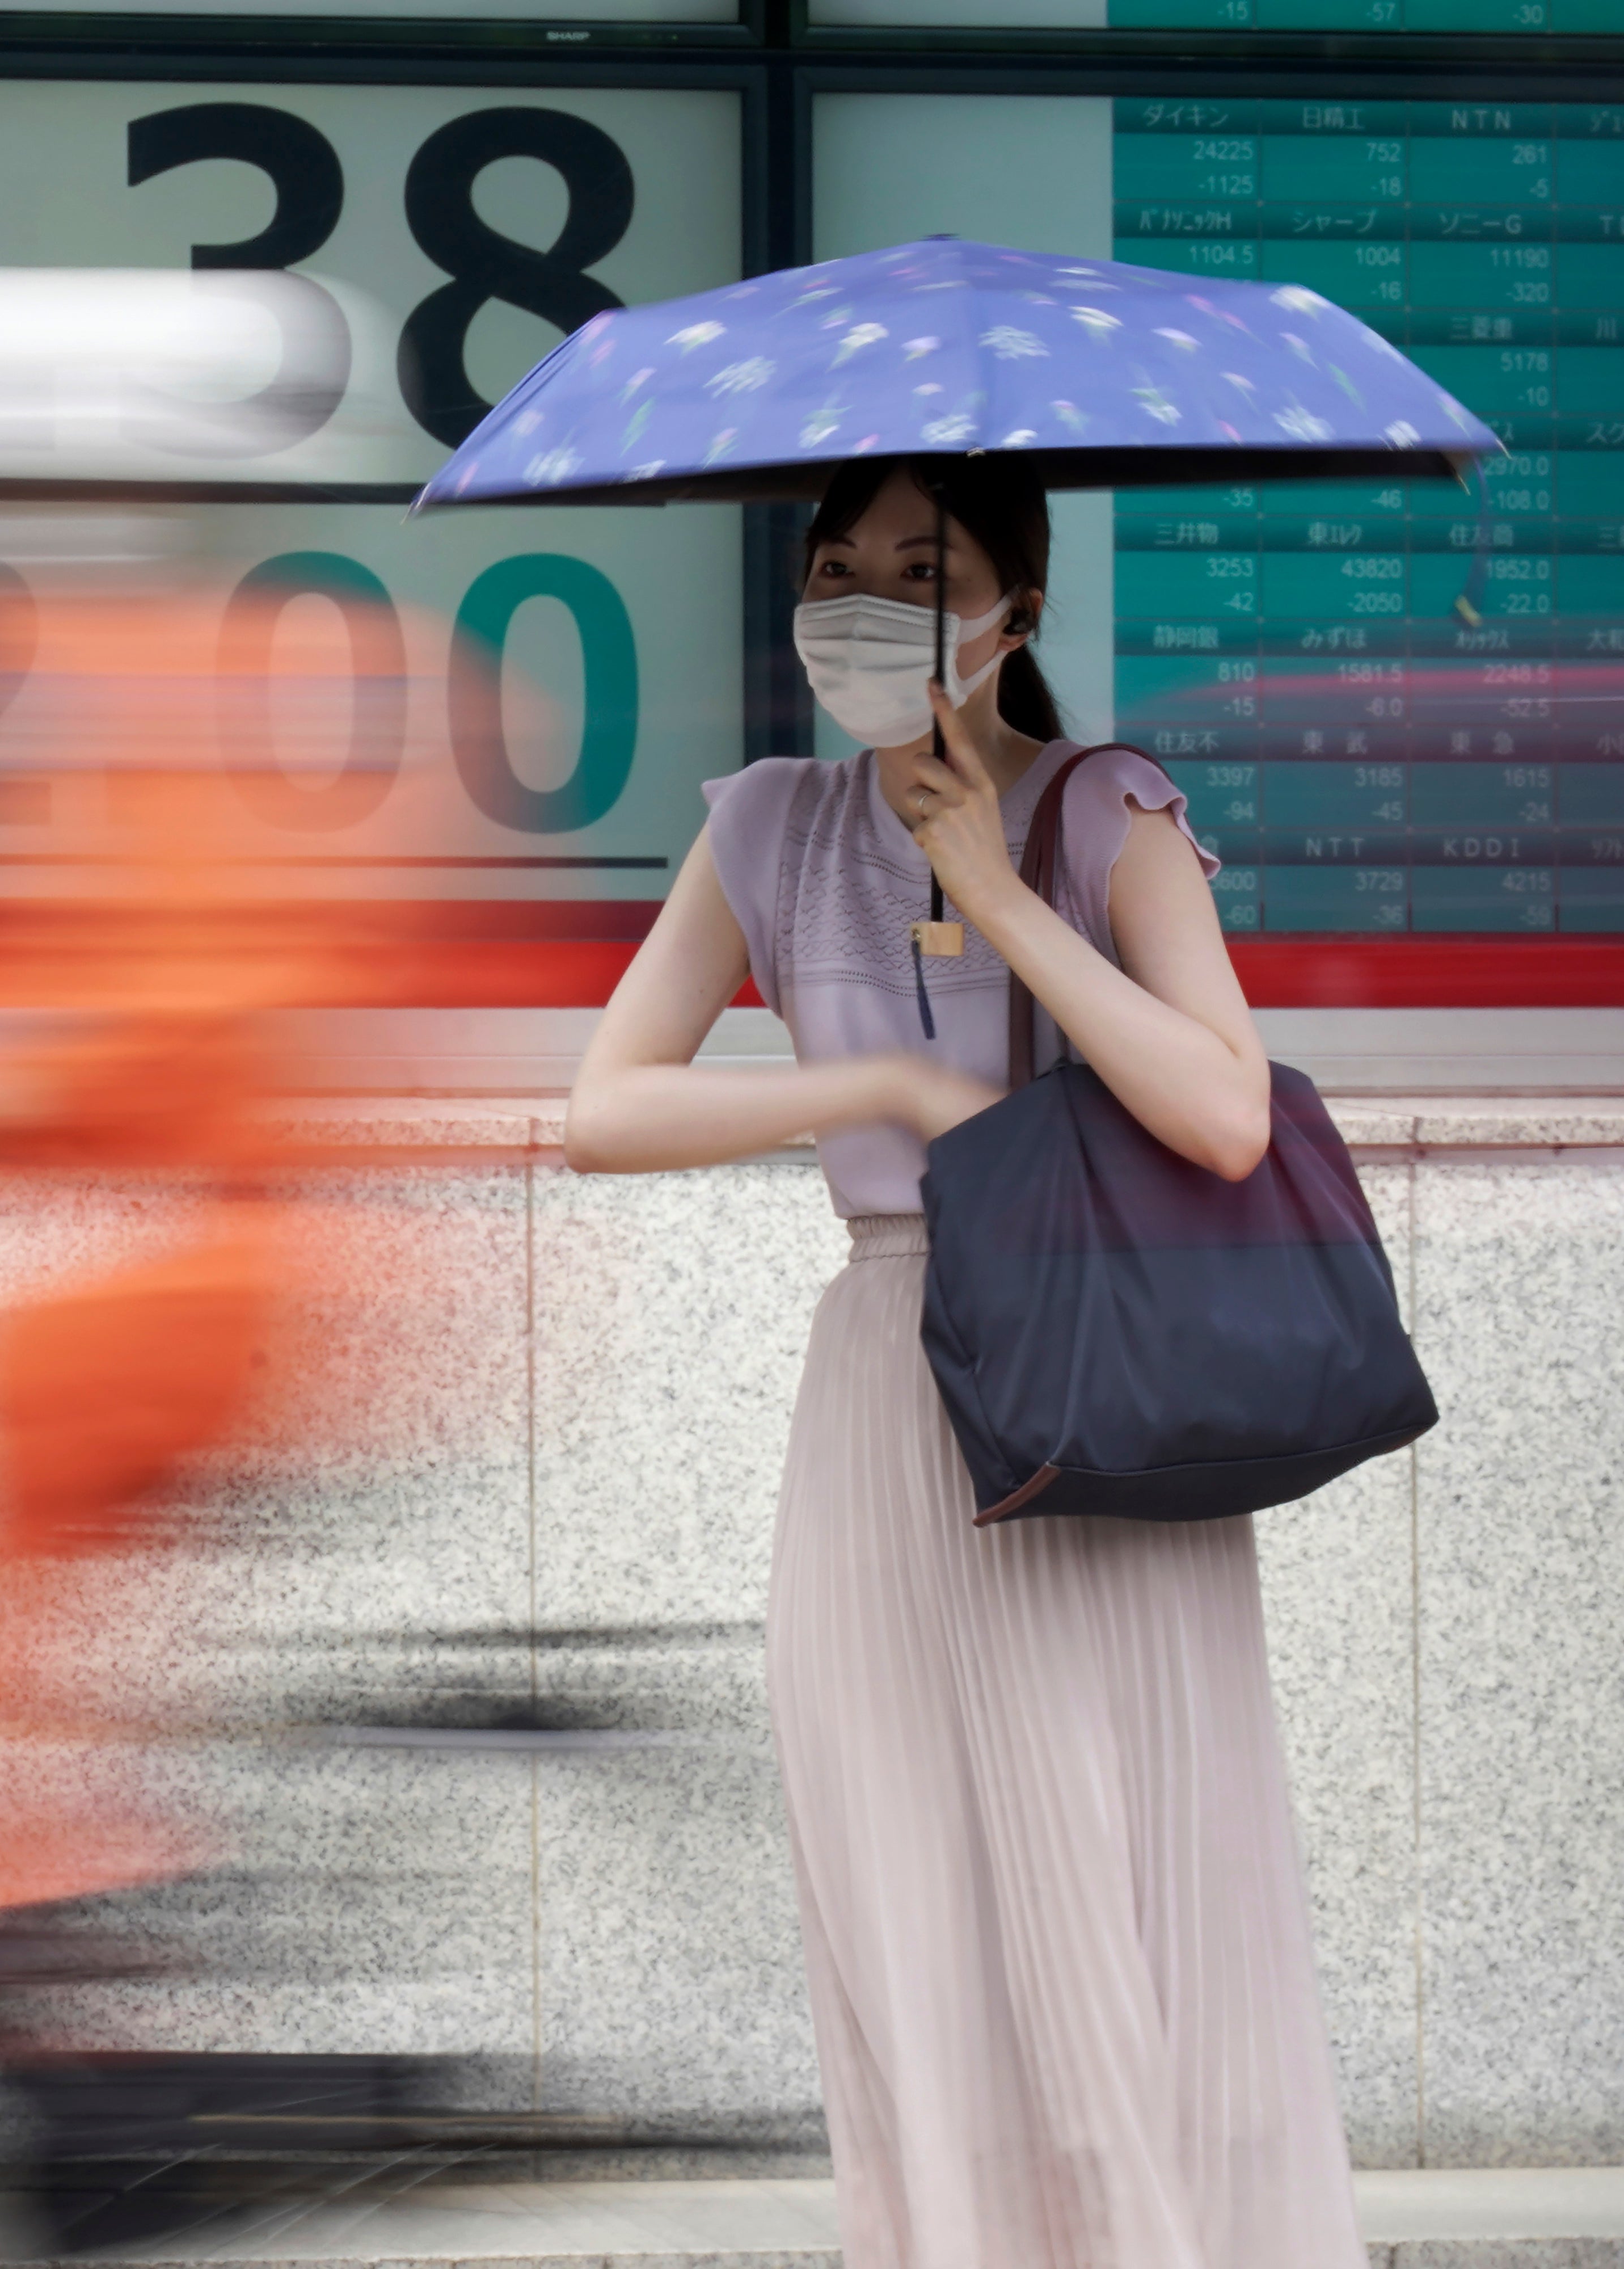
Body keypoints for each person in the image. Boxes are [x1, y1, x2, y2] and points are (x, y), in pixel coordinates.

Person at [564, 454, 1360, 2269]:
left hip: (1088, 1385)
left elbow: (1227, 1117)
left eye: (920, 567)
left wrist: (988, 887)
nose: (861, 601)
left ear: (1016, 607)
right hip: (883, 1387)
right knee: (909, 1912)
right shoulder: (762, 823)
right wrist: (881, 1091)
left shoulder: (1107, 809)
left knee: (1119, 1895)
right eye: (834, 565)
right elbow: (603, 1111)